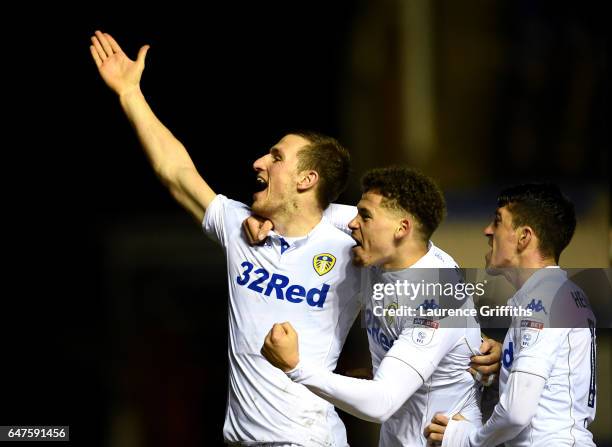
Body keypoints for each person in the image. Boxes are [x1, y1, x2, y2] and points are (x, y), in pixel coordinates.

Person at [90, 31, 363, 446]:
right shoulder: (239, 228)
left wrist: (473, 340)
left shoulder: (352, 233)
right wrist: (130, 93)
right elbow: (176, 173)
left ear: (308, 180)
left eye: (276, 157)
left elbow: (423, 252)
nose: (258, 162)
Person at [260, 166, 496, 446]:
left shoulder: (439, 293)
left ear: (402, 228)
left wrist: (296, 366)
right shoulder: (382, 251)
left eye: (365, 216)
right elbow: (310, 212)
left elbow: (382, 401)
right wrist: (267, 218)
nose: (352, 223)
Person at [424, 183, 597, 447]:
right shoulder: (559, 293)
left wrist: (467, 439)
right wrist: (506, 362)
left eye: (497, 221)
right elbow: (553, 386)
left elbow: (517, 414)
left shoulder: (545, 299)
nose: (487, 230)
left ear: (524, 237)